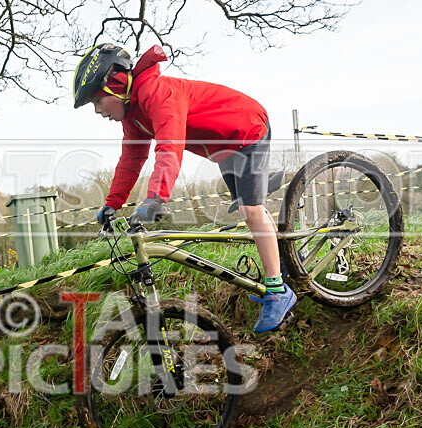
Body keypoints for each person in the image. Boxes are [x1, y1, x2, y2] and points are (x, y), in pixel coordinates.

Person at [73, 43, 296, 333]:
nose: (97, 111)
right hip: (223, 147)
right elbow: (131, 158)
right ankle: (288, 258)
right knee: (249, 208)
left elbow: (169, 146)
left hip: (245, 130)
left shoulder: (159, 95)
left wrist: (156, 197)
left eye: (97, 102)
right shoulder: (134, 115)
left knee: (250, 209)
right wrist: (113, 202)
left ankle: (278, 291)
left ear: (114, 86)